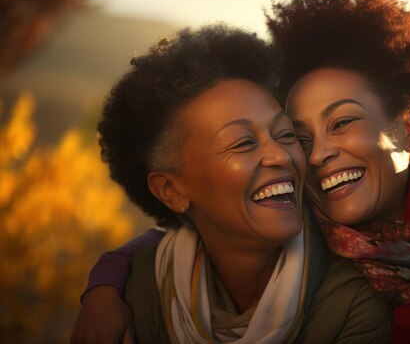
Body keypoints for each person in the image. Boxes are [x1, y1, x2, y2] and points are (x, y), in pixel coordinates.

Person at [73, 0, 410, 343]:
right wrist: (105, 283)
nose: (316, 153)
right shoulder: (294, 232)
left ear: (407, 128)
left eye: (342, 123)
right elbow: (188, 229)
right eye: (299, 135)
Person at [70, 24, 391, 344]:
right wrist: (105, 283)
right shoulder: (135, 296)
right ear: (171, 190)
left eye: (286, 134)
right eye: (243, 143)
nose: (280, 155)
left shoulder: (357, 300)